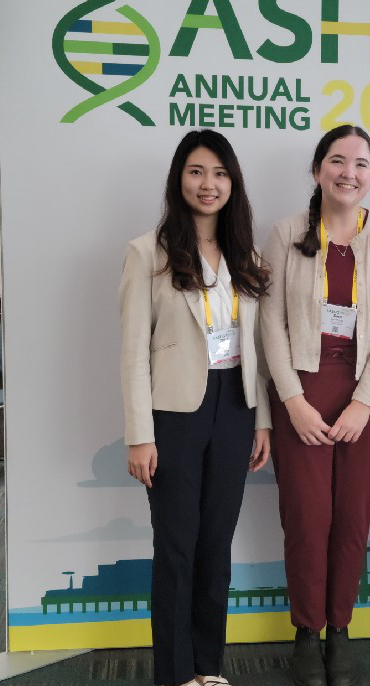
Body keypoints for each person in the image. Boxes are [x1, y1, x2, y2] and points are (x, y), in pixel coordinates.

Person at [260, 125, 370, 686]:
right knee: (306, 517)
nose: (349, 172)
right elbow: (268, 323)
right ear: (318, 169)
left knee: (351, 518)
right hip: (302, 390)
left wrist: (364, 404)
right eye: (337, 160)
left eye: (361, 164)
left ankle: (340, 628)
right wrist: (292, 400)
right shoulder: (284, 233)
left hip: (366, 398)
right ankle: (306, 629)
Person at [120, 129, 271, 686]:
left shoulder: (246, 256)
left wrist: (261, 420)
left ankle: (208, 668)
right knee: (177, 546)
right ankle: (175, 673)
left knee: (216, 544)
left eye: (220, 174)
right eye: (197, 172)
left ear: (233, 184)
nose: (209, 185)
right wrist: (140, 433)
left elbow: (254, 347)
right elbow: (133, 350)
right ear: (178, 179)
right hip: (175, 415)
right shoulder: (147, 253)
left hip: (234, 405)